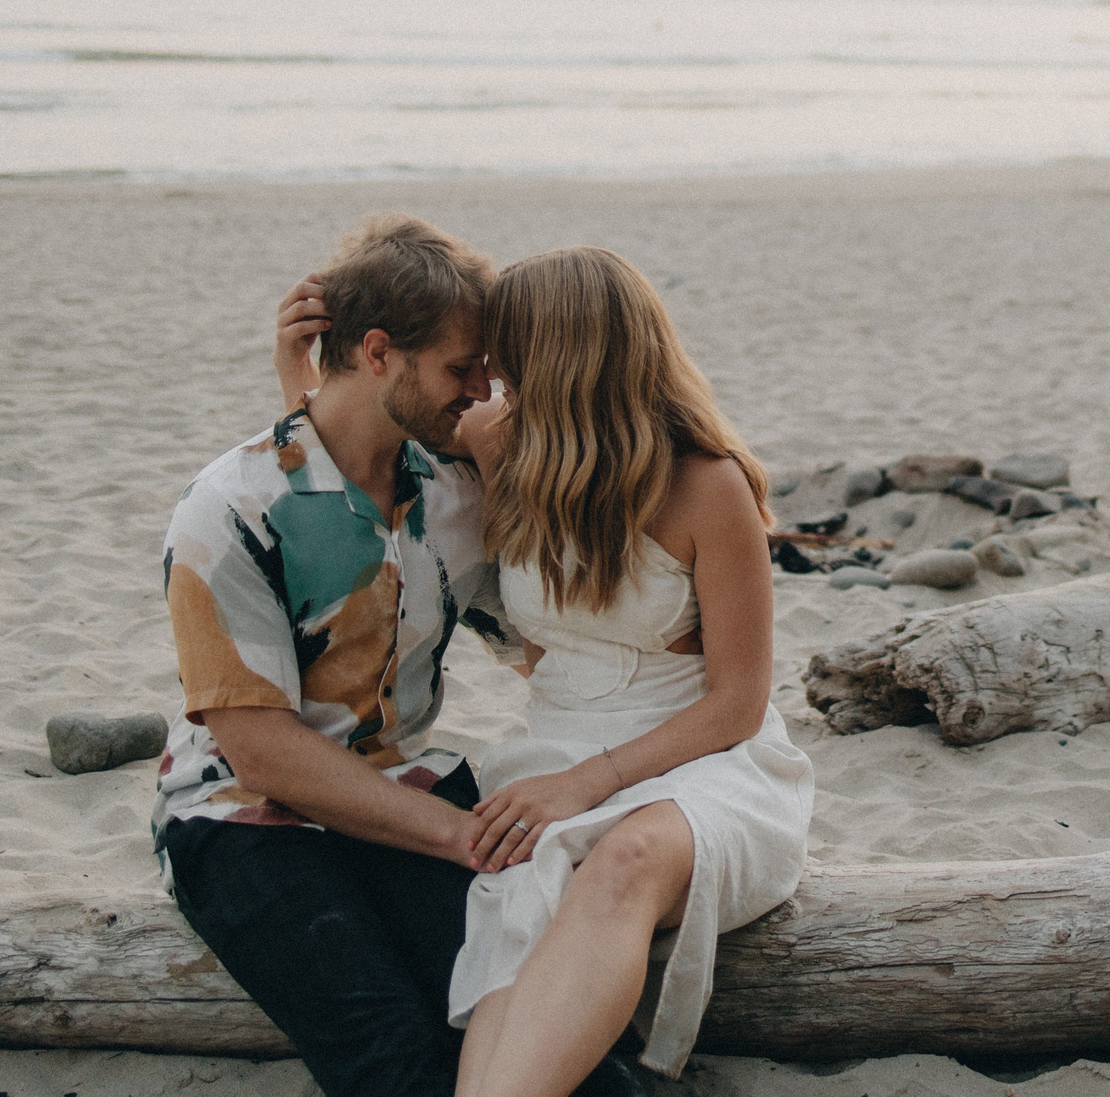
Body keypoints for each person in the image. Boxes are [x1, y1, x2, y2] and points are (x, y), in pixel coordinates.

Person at [294, 244, 813, 1095]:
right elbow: (357, 467)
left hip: (708, 765)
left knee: (624, 857)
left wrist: (586, 783)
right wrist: (305, 369)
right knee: (518, 896)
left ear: (568, 358)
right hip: (558, 749)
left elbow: (739, 704)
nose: (486, 382)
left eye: (504, 358)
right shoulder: (501, 445)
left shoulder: (707, 485)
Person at [153, 212, 516, 1097]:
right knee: (392, 1058)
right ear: (381, 352)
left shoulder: (456, 497)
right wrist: (461, 836)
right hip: (243, 815)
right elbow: (262, 747)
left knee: (526, 1027)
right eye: (462, 367)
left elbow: (548, 640)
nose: (485, 388)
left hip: (403, 786)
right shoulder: (230, 508)